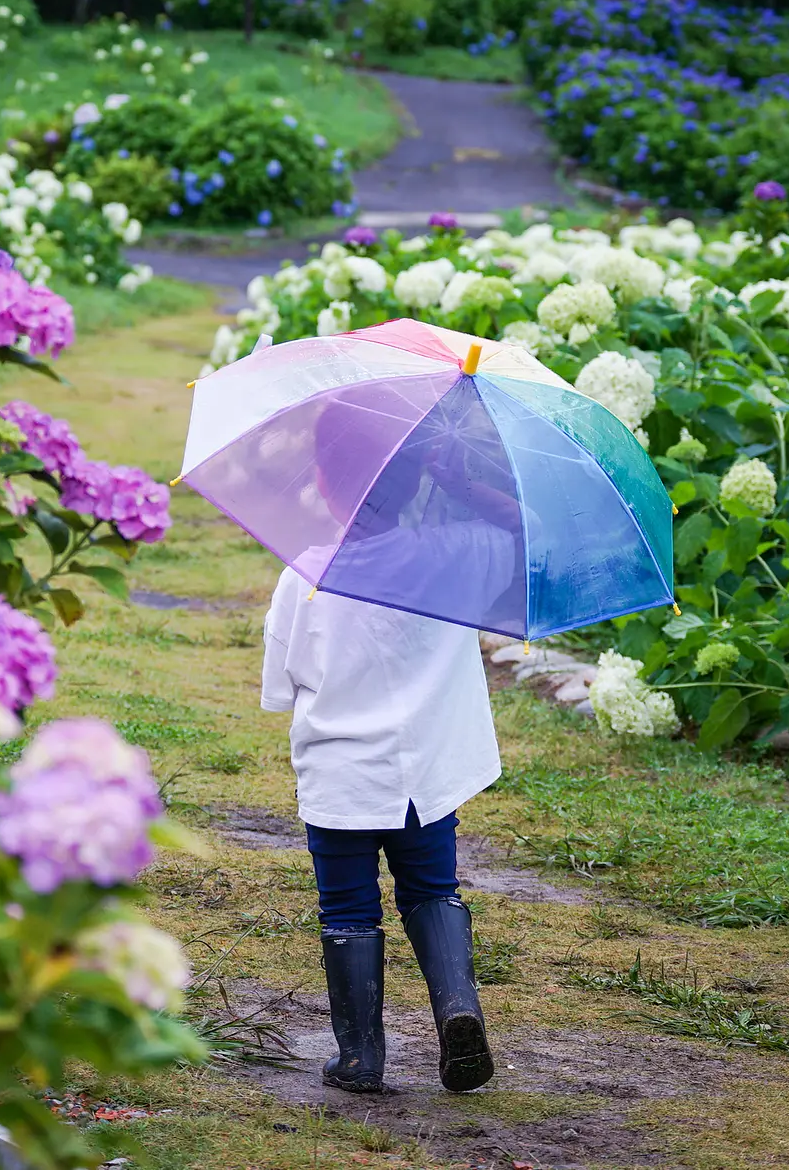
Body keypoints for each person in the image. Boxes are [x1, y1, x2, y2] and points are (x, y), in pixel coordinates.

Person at [259, 393, 518, 1095]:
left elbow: (281, 686)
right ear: (414, 479)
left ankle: (360, 1057)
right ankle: (458, 1008)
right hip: (427, 777)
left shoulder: (304, 577)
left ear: (323, 479)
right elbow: (526, 538)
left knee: (347, 908)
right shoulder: (460, 553)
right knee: (432, 890)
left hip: (341, 780)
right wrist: (463, 486)